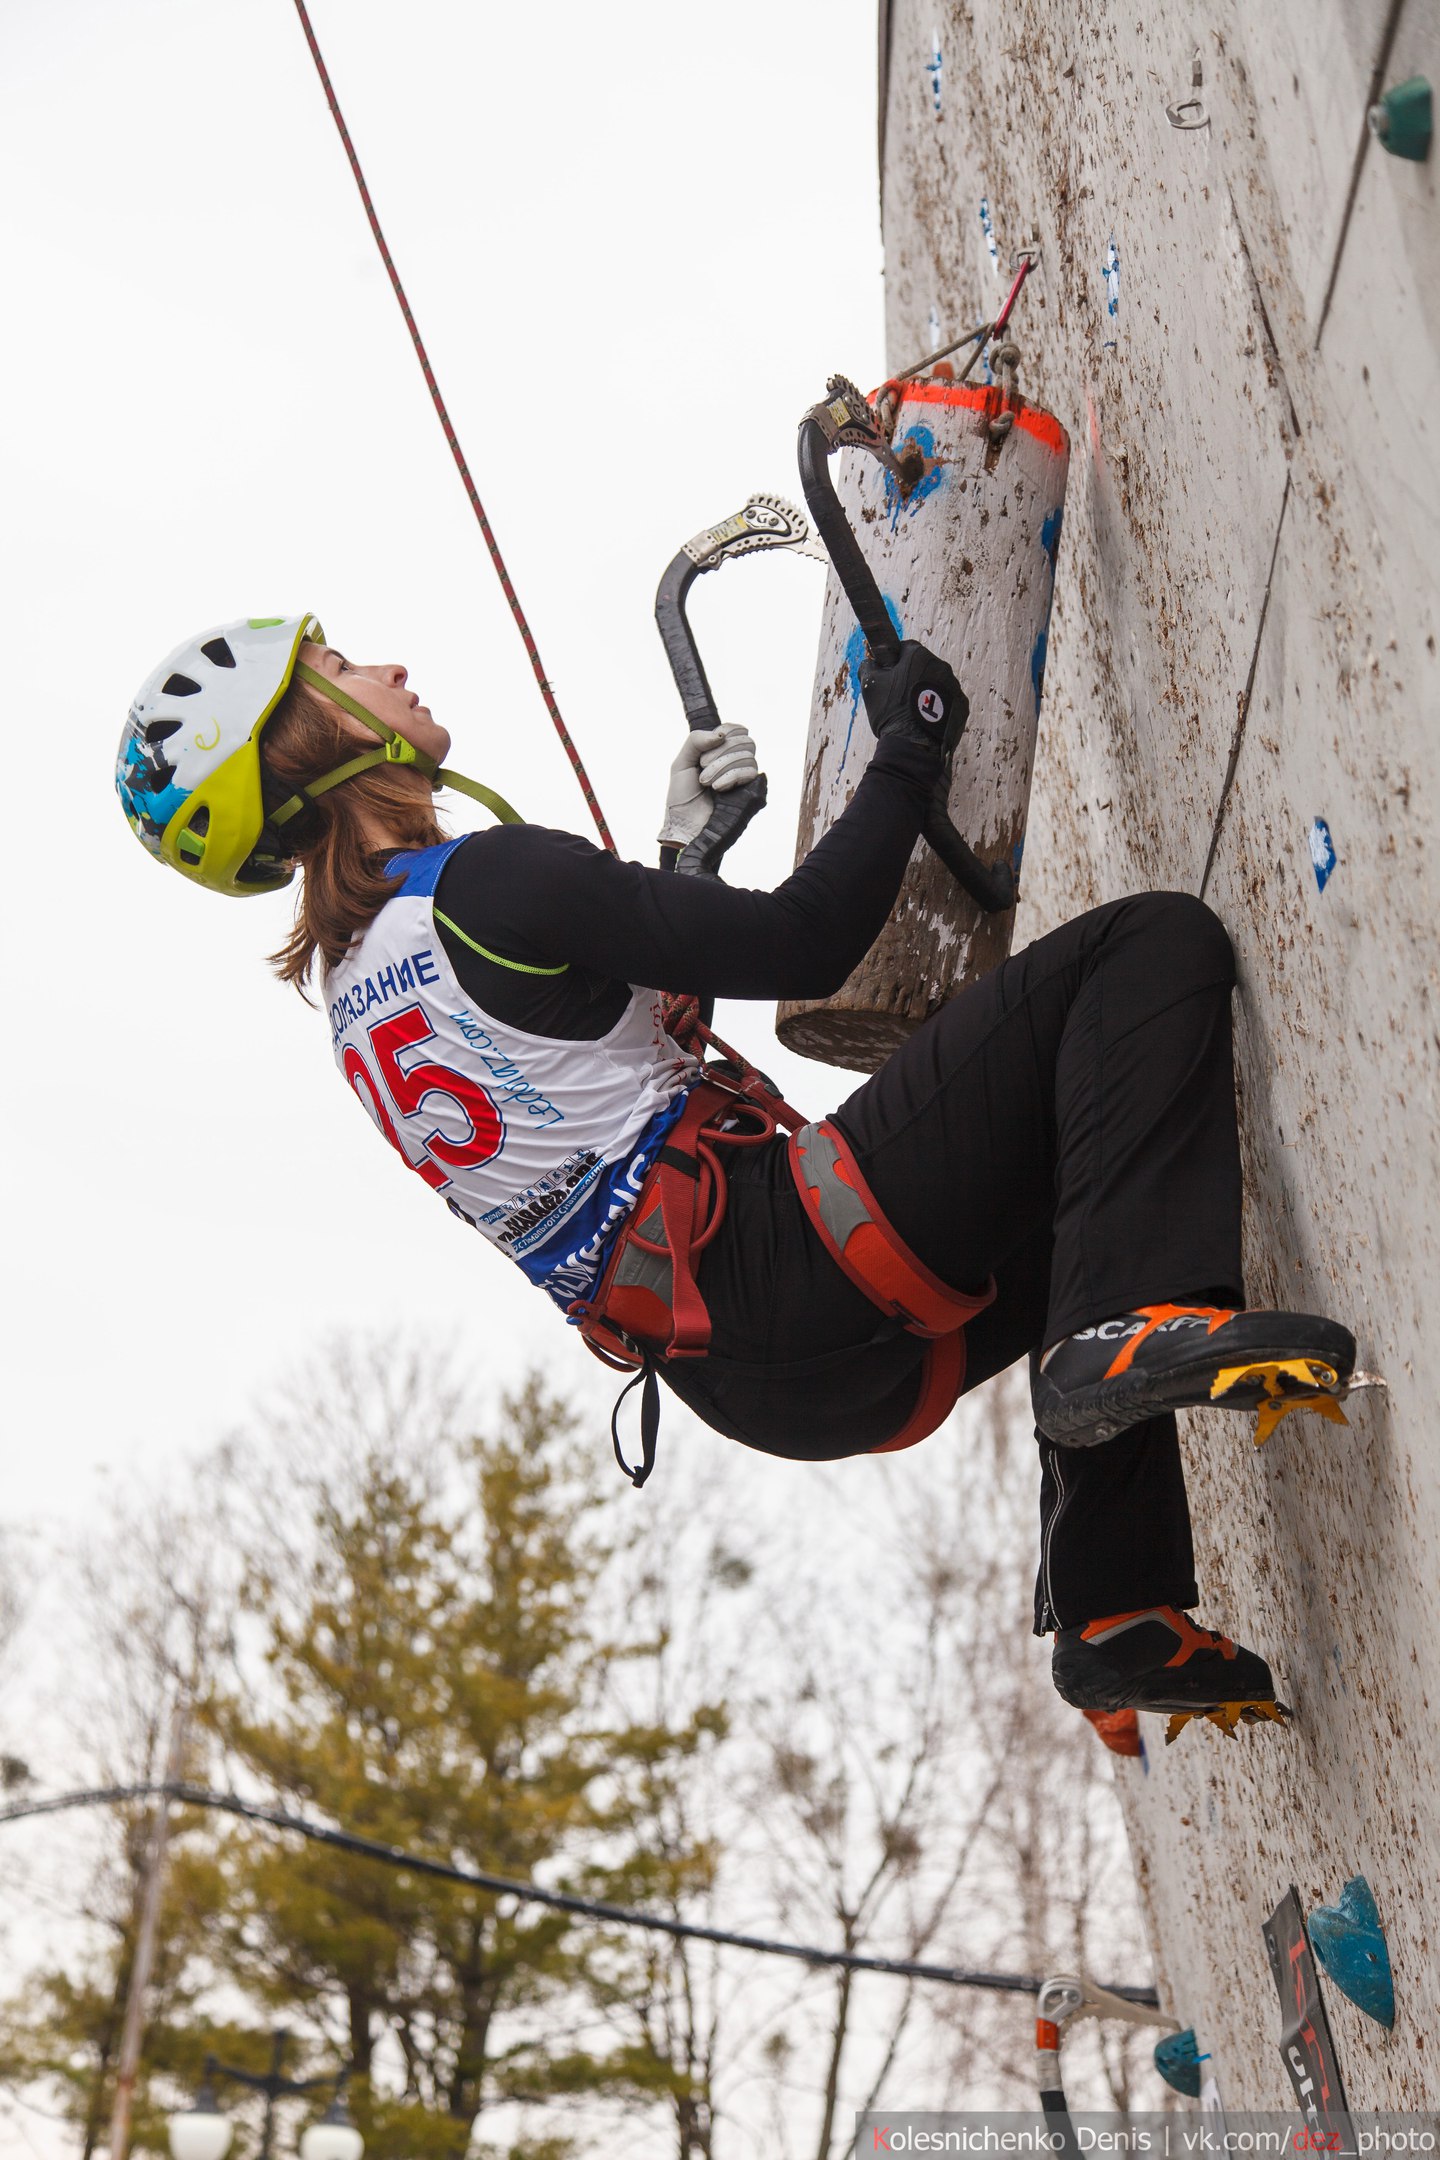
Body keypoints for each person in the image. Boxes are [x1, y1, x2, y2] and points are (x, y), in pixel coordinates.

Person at [116, 613, 1358, 1734]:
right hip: (791, 1254)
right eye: (339, 668)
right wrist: (913, 747)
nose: (385, 662)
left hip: (755, 1385)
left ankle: (1114, 1610)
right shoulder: (487, 883)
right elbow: (804, 940)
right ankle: (1127, 1328)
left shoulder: (355, 996)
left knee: (1093, 1183)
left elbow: (605, 1051)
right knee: (1147, 945)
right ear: (305, 745)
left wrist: (682, 854)